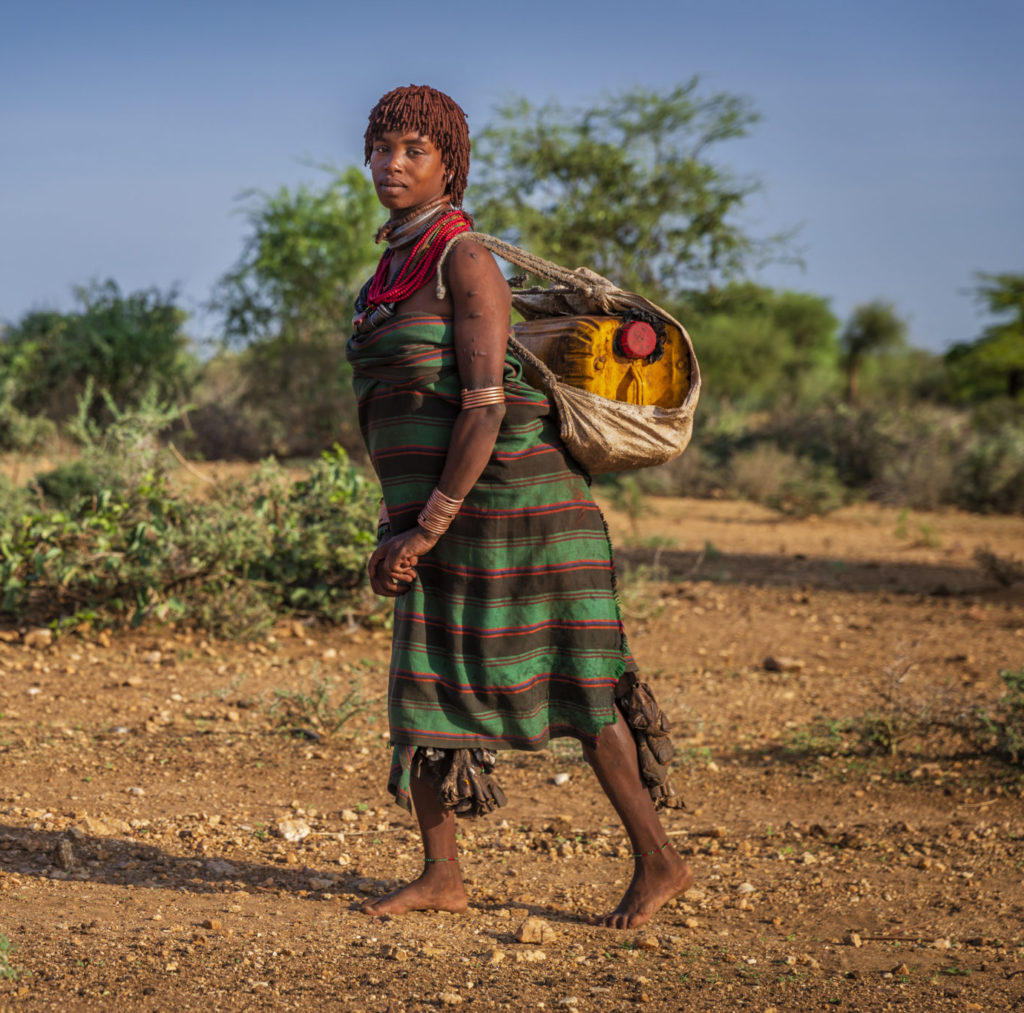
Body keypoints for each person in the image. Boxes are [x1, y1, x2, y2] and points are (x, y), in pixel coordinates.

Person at [346, 85, 692, 929]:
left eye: (413, 151)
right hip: (440, 509)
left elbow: (486, 403)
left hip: (519, 508)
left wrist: (424, 526)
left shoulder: (463, 259)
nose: (393, 165)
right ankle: (442, 875)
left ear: (449, 165)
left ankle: (660, 860)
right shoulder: (390, 267)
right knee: (421, 684)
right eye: (383, 148)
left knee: (582, 687)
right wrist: (403, 521)